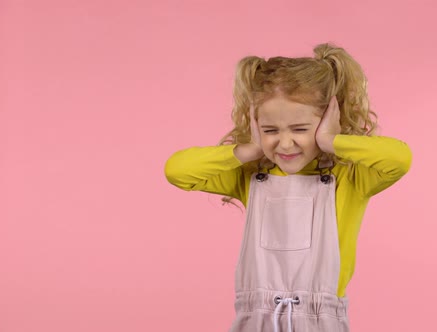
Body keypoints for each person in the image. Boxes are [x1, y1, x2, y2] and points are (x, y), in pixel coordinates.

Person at [164, 42, 413, 332]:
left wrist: (332, 141)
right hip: (257, 319)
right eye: (270, 130)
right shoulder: (252, 174)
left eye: (300, 129)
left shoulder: (349, 177)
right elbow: (177, 171)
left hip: (320, 320)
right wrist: (249, 150)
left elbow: (399, 159)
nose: (284, 143)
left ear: (326, 122)